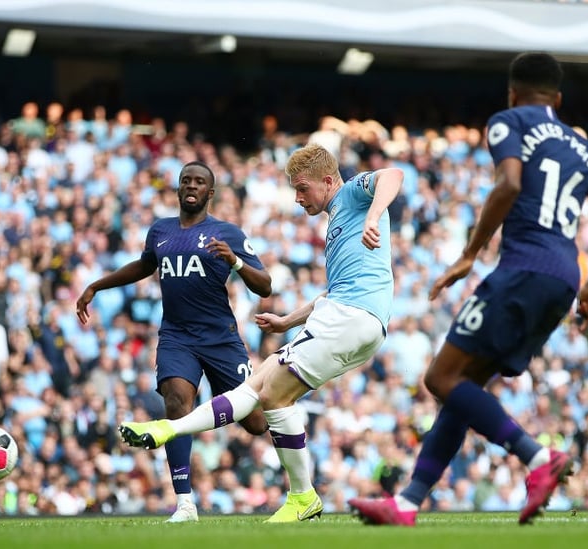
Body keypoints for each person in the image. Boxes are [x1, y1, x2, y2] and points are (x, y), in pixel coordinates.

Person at [349, 52, 588, 526]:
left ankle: (536, 456)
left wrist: (470, 253)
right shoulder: (583, 147)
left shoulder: (508, 122)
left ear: (512, 92)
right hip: (564, 277)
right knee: (464, 386)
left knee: (440, 379)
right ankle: (408, 502)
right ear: (558, 98)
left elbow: (508, 183)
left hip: (522, 269)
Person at [118, 145, 404, 522]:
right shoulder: (337, 223)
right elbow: (335, 293)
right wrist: (288, 321)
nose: (298, 198)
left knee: (272, 393)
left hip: (350, 317)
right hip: (351, 316)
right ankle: (170, 430)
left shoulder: (351, 194)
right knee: (263, 387)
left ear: (329, 182)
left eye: (303, 189)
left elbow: (393, 175)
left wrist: (375, 214)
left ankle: (300, 495)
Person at [76, 161, 273, 522]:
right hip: (176, 336)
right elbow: (144, 265)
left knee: (256, 423)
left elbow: (265, 285)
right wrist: (95, 285)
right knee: (176, 403)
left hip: (220, 339)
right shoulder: (160, 231)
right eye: (186, 180)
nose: (191, 186)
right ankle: (185, 503)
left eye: (199, 182)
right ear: (178, 188)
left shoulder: (227, 232)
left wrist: (237, 264)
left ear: (210, 193)